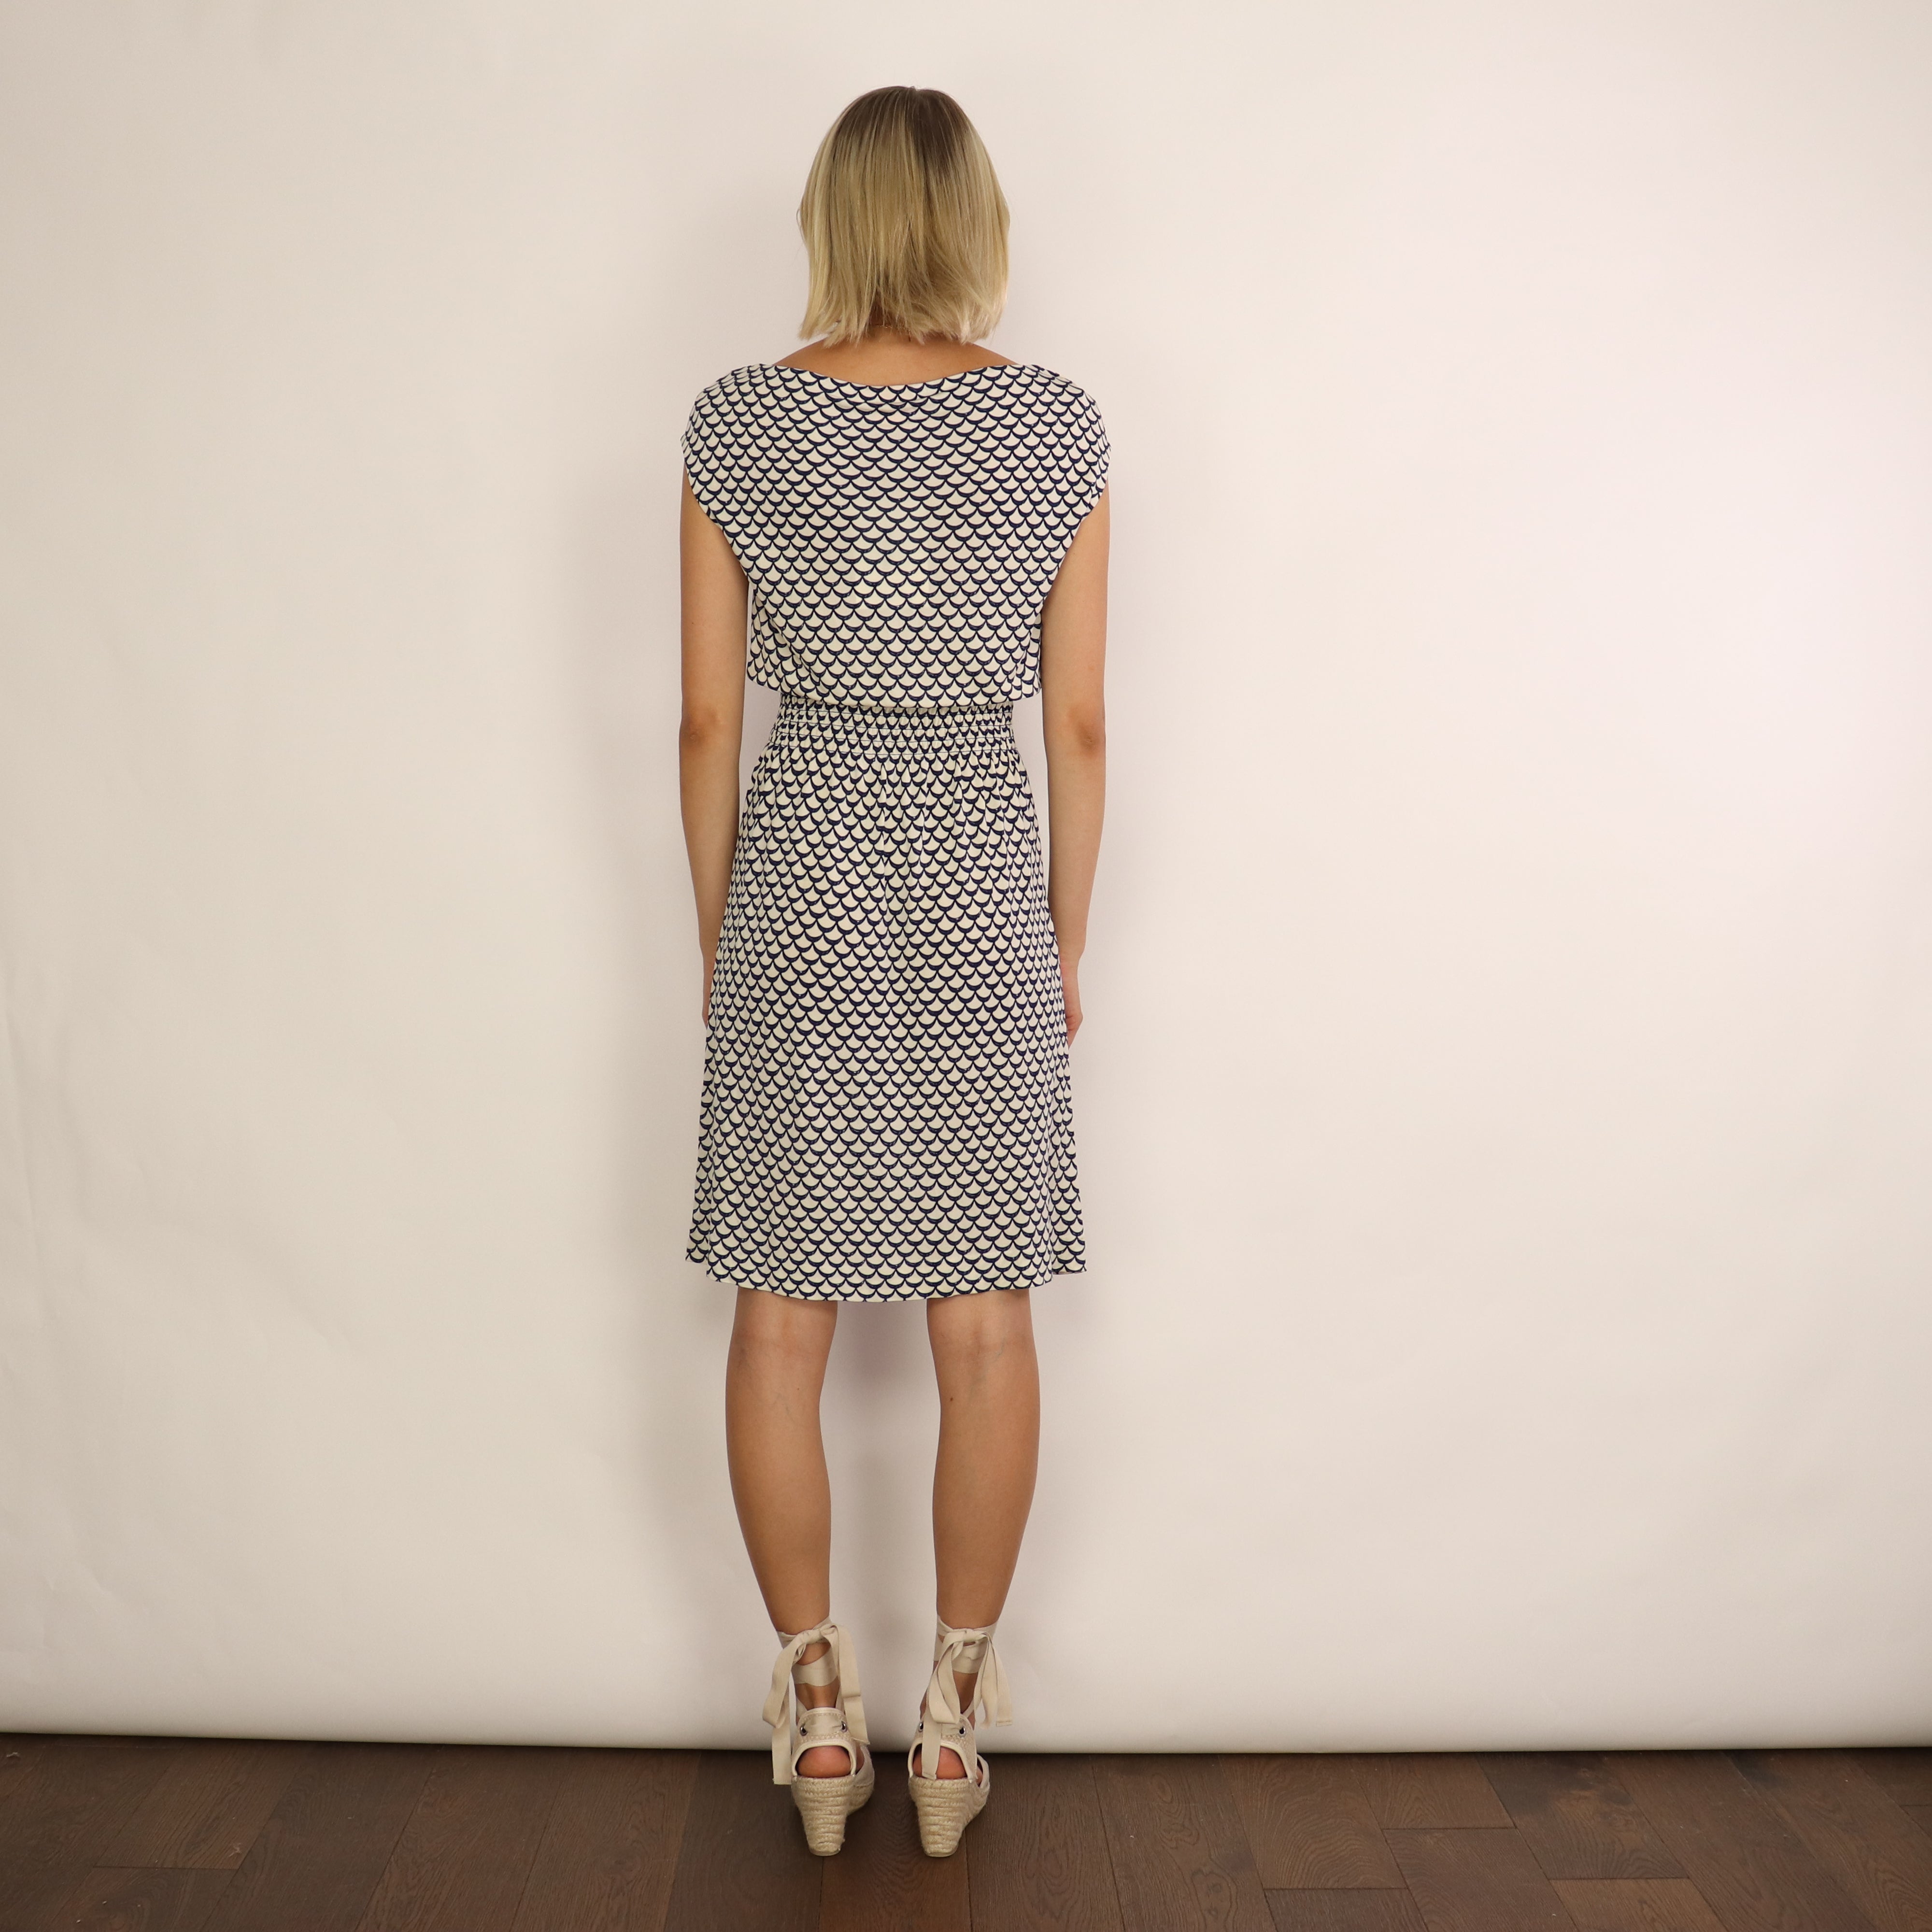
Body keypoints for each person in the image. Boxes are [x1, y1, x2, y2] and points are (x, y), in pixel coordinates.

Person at [676, 84, 1109, 1860]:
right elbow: (1078, 724)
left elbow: (709, 722)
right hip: (983, 882)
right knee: (984, 1322)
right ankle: (948, 1729)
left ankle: (813, 1708)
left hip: (801, 873)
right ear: (972, 221)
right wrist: (1059, 940)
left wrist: (725, 936)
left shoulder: (738, 422)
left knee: (780, 1320)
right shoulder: (1055, 427)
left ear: (831, 219)